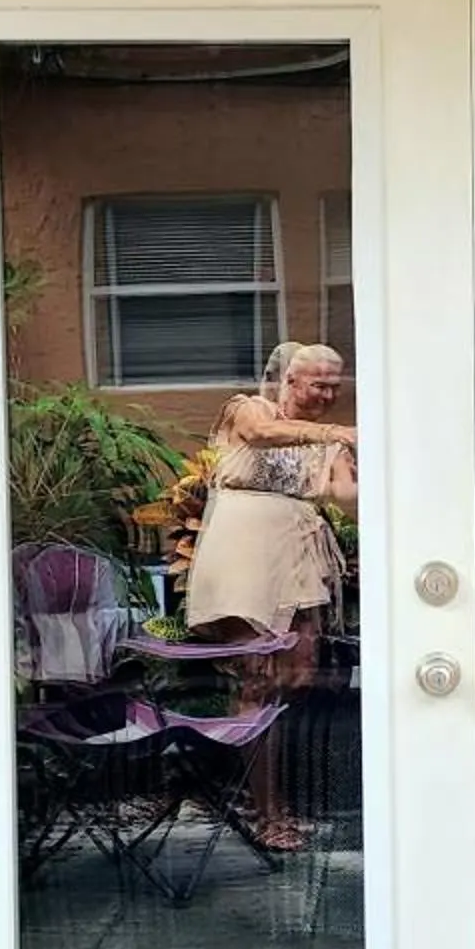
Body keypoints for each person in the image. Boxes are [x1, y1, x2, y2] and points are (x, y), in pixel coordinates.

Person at [186, 342, 357, 850]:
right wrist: (336, 432)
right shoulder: (249, 409)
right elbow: (261, 436)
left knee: (298, 675)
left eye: (334, 386)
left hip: (296, 560)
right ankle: (267, 812)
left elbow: (344, 496)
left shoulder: (328, 442)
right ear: (288, 380)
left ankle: (242, 784)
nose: (327, 394)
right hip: (243, 557)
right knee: (257, 680)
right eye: (317, 383)